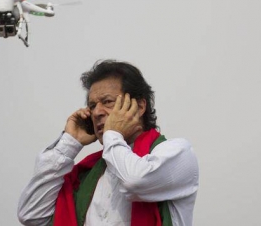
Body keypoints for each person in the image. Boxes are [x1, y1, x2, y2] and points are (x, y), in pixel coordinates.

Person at [17, 60, 199, 226]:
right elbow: (31, 214)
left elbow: (134, 181)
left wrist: (113, 133)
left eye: (107, 102)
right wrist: (69, 143)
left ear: (140, 106)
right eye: (92, 106)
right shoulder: (86, 175)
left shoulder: (177, 153)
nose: (97, 112)